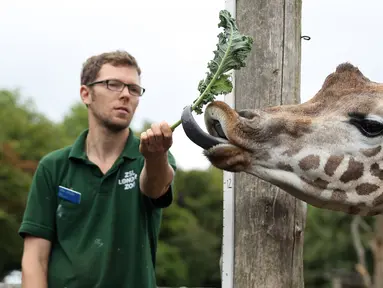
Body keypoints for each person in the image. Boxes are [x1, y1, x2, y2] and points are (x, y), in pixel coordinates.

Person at [18, 50, 177, 288]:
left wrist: (156, 156)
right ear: (86, 93)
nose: (125, 95)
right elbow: (34, 260)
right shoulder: (53, 167)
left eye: (134, 89)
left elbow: (155, 186)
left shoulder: (151, 158)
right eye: (113, 84)